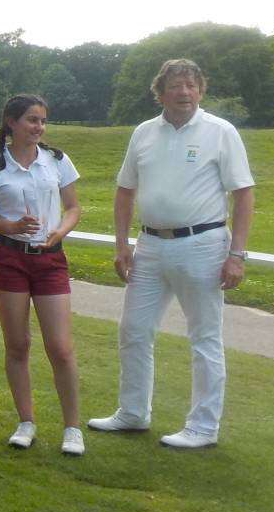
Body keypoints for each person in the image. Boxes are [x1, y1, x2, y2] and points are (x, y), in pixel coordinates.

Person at [90, 59, 255, 449]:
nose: (184, 92)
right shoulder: (144, 133)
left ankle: (202, 427)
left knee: (204, 338)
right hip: (149, 246)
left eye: (191, 85)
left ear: (201, 90)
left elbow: (244, 194)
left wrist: (238, 255)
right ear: (160, 92)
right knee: (133, 330)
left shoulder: (220, 132)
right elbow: (125, 190)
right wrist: (120, 244)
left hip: (203, 245)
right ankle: (132, 412)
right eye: (176, 86)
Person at [0, 94, 85, 456]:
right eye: (31, 120)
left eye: (41, 121)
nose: (38, 127)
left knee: (61, 348)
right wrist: (13, 225)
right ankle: (26, 421)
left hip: (50, 259)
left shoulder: (57, 160)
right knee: (17, 345)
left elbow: (73, 207)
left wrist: (60, 231)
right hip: (10, 259)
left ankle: (72, 428)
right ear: (11, 122)